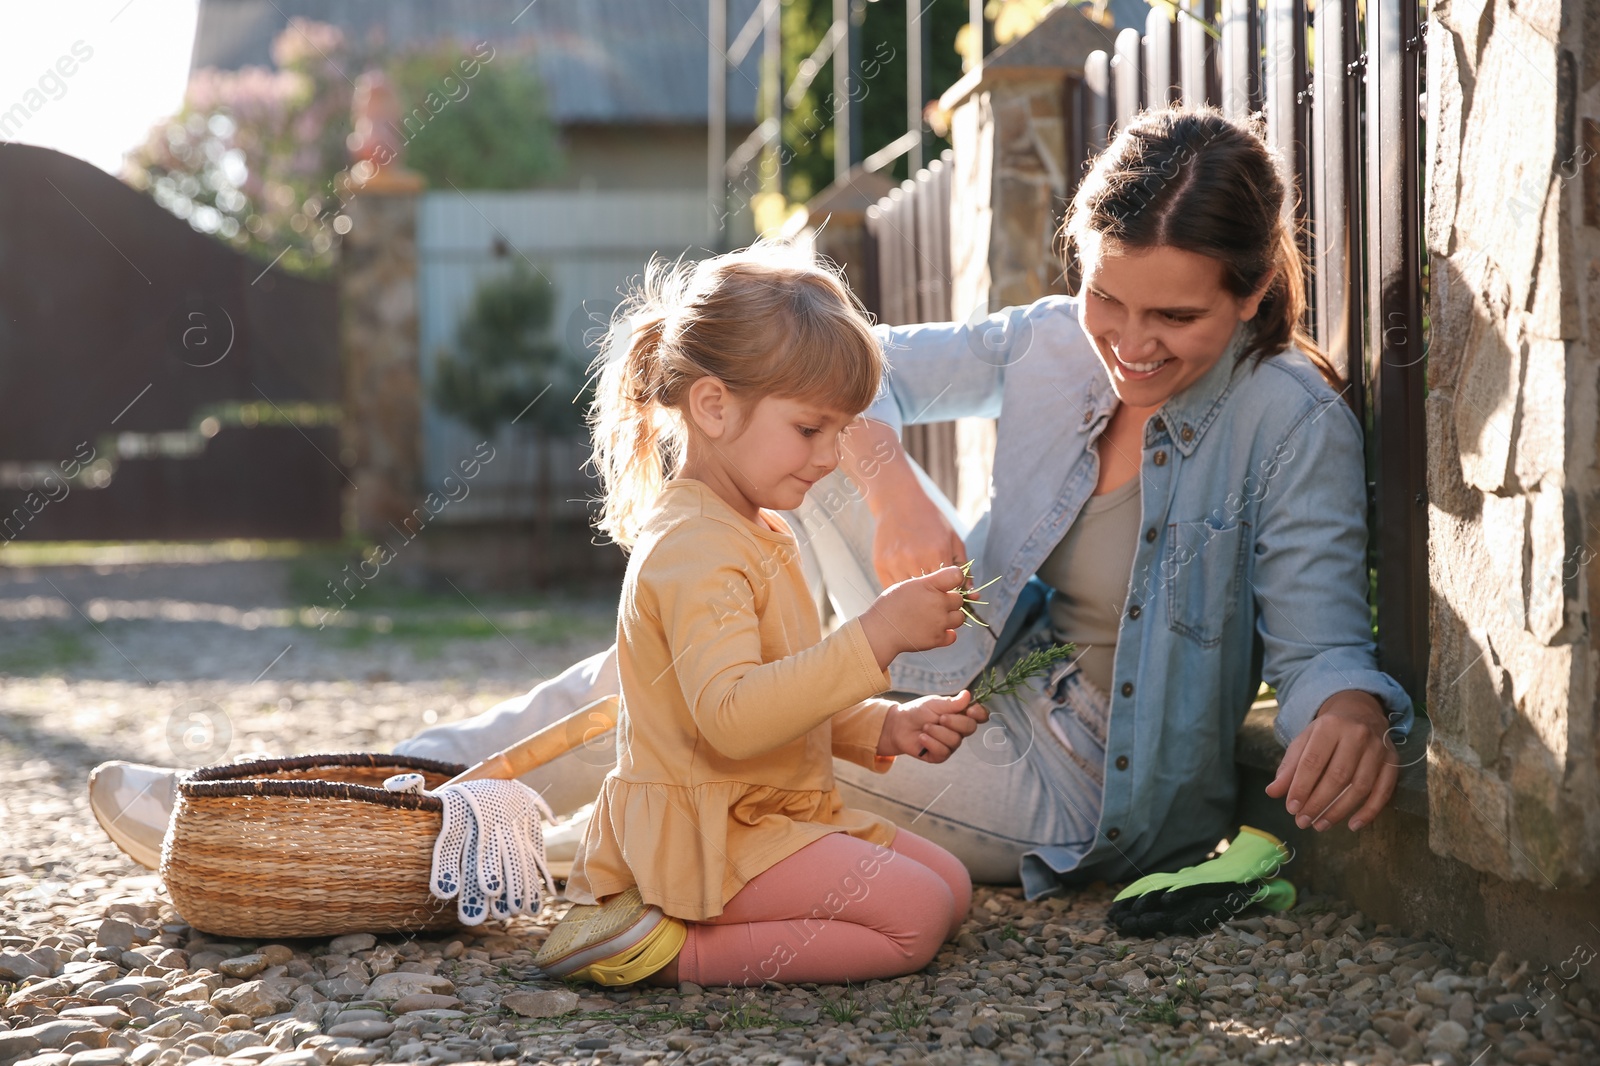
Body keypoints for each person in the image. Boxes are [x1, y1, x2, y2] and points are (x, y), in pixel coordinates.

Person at [90, 107, 1411, 908]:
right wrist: (886, 475)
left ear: (1250, 292)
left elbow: (1318, 645)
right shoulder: (1060, 340)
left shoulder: (1285, 420)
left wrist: (1346, 707)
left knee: (701, 699)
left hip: (1077, 786)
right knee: (775, 466)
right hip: (955, 667)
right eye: (1106, 298)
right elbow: (778, 309)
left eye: (1173, 315)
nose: (1126, 339)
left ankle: (358, 818)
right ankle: (356, 797)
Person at [527, 246, 985, 987]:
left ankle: (704, 925)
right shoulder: (695, 549)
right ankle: (662, 948)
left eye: (843, 430)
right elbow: (733, 717)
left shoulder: (751, 524)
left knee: (952, 887)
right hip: (711, 830)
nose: (834, 455)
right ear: (712, 406)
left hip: (762, 809)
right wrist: (876, 634)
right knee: (917, 919)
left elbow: (776, 691)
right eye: (812, 429)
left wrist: (881, 724)